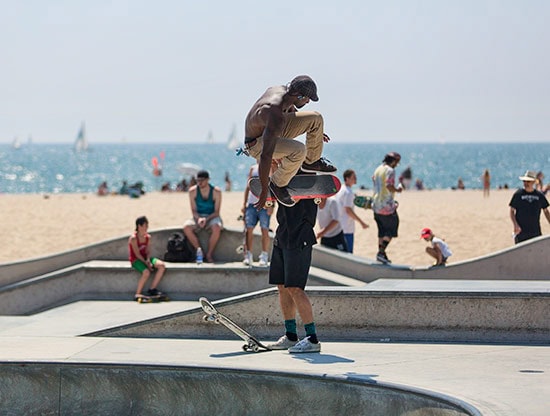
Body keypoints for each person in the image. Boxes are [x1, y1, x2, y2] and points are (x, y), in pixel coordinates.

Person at [243, 75, 336, 208]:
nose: (308, 102)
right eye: (307, 98)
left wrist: (315, 130)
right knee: (299, 150)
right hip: (257, 144)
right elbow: (265, 155)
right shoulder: (273, 112)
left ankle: (311, 161)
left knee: (316, 119)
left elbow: (290, 109)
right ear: (298, 95)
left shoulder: (284, 91)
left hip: (273, 128)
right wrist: (264, 189)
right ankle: (277, 184)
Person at [266, 198, 321, 353]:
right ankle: (291, 336)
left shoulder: (309, 177)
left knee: (295, 288)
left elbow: (322, 199)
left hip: (301, 235)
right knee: (282, 286)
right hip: (282, 233)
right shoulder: (280, 178)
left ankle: (312, 339)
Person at [183, 170, 223, 262]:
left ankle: (209, 254)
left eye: (202, 180)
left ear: (208, 180)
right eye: (198, 180)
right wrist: (199, 218)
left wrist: (206, 219)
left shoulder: (216, 192)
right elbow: (193, 210)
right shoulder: (192, 191)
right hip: (198, 216)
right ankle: (199, 251)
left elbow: (217, 212)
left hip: (212, 216)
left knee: (217, 227)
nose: (200, 183)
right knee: (186, 227)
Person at [372, 152, 403, 264]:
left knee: (382, 231)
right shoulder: (390, 170)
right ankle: (381, 252)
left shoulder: (378, 169)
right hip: (386, 207)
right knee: (391, 229)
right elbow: (389, 185)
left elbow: (374, 180)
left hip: (376, 205)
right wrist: (398, 190)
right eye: (397, 163)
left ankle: (381, 255)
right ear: (394, 161)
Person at [128, 216, 167, 301]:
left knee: (161, 266)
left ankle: (152, 289)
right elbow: (137, 254)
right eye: (145, 226)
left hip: (145, 258)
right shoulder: (133, 238)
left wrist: (148, 260)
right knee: (146, 272)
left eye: (147, 226)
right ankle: (138, 293)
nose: (146, 228)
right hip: (136, 259)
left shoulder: (147, 237)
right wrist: (147, 264)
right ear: (139, 226)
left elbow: (148, 251)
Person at [242, 163, 273, 266]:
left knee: (264, 229)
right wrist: (244, 204)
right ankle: (248, 255)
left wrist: (272, 205)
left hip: (265, 203)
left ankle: (264, 255)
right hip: (251, 203)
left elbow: (273, 187)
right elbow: (248, 186)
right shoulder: (253, 168)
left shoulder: (270, 167)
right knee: (248, 229)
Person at [509, 170, 550, 244]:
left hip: (535, 231)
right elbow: (512, 211)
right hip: (521, 232)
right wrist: (515, 225)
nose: (526, 183)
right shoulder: (518, 194)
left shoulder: (539, 195)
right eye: (524, 181)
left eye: (528, 181)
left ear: (533, 182)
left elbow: (546, 210)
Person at [336, 169, 368, 253]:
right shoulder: (348, 192)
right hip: (347, 227)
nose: (356, 179)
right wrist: (362, 222)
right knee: (348, 253)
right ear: (347, 179)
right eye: (353, 177)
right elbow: (348, 210)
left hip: (339, 226)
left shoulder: (341, 189)